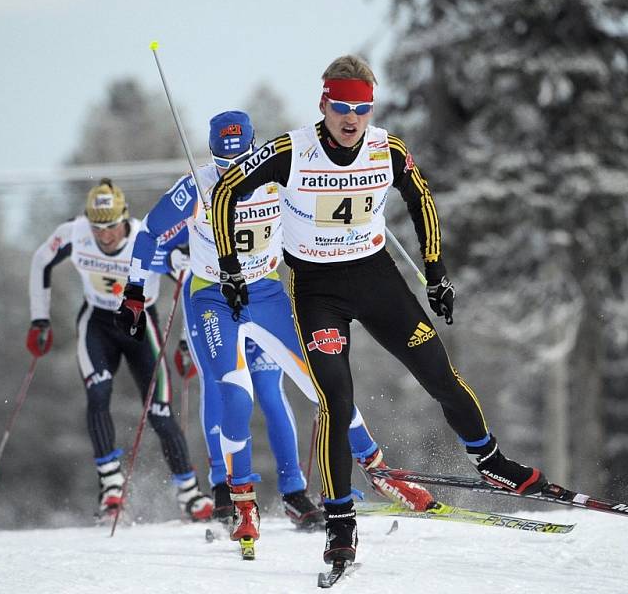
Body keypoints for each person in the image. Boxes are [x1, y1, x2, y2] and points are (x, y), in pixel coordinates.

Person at [209, 56, 549, 565]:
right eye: (342, 107)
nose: (351, 119)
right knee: (336, 401)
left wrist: (436, 274)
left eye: (362, 109)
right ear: (324, 104)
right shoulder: (290, 150)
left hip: (376, 279)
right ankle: (341, 522)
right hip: (317, 289)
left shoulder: (385, 148)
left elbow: (422, 199)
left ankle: (490, 460)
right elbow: (225, 192)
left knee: (439, 373)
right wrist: (230, 268)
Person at [117, 111, 435, 550]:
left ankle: (380, 472)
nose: (233, 175)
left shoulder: (275, 172)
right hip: (213, 297)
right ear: (212, 156)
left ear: (253, 148)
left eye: (240, 162)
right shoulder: (195, 185)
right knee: (233, 391)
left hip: (265, 293)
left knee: (324, 383)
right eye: (223, 165)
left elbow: (331, 198)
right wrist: (135, 290)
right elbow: (150, 234)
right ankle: (242, 501)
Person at [27, 179, 213, 522]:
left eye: (111, 226)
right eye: (98, 228)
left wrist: (189, 342)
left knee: (159, 413)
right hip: (98, 323)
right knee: (98, 394)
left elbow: (190, 286)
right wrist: (40, 320)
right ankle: (111, 485)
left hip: (142, 328)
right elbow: (41, 261)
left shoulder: (147, 240)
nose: (105, 236)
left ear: (124, 218)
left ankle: (190, 492)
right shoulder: (74, 233)